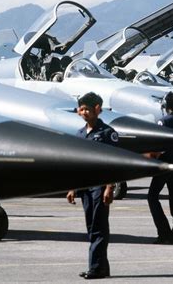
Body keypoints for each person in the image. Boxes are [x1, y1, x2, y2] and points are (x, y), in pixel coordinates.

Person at [66, 92, 118, 279]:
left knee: (98, 227)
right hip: (85, 188)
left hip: (100, 187)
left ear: (98, 109)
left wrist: (109, 187)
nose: (84, 112)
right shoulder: (80, 134)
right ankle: (101, 267)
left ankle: (95, 268)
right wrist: (72, 188)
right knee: (92, 227)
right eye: (81, 109)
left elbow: (114, 162)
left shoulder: (107, 133)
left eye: (87, 108)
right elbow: (76, 163)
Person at [148, 92, 173, 245]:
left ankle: (163, 231)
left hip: (163, 166)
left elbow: (158, 146)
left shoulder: (162, 122)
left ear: (165, 105)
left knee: (152, 197)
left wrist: (152, 162)